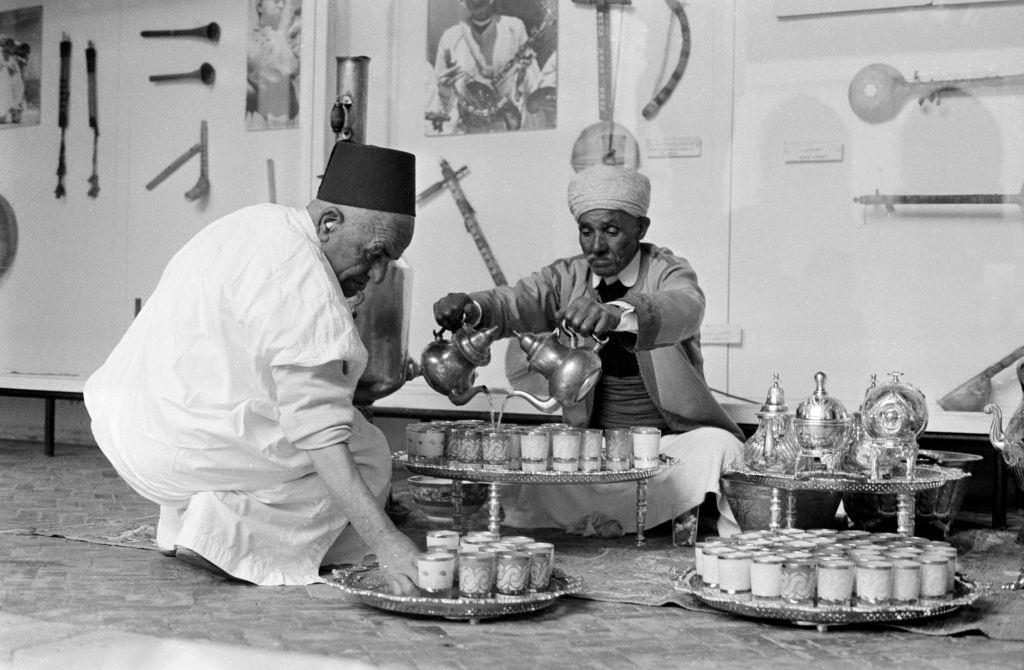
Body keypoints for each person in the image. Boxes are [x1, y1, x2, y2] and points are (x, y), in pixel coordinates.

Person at [84, 141, 421, 591]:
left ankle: (186, 527)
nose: (378, 274)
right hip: (181, 442)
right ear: (329, 223)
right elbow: (319, 429)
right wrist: (386, 541)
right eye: (375, 253)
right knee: (366, 451)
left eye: (388, 261)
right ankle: (225, 540)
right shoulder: (303, 274)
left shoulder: (257, 223)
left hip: (133, 427)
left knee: (296, 433)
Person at [432, 165, 745, 537]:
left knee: (721, 448)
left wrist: (619, 314)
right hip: (592, 451)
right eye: (586, 230)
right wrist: (473, 306)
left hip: (669, 447)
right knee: (531, 460)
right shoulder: (567, 277)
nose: (596, 245)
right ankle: (605, 522)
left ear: (640, 229)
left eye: (611, 231)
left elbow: (685, 306)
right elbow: (515, 302)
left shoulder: (666, 270)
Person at [425, 0, 542, 135]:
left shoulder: (514, 29)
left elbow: (533, 87)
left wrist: (522, 75)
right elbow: (438, 103)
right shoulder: (451, 38)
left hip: (505, 129)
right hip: (465, 132)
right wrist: (444, 93)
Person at [247, 0, 301, 130]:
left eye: (283, 2)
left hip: (290, 122)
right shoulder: (249, 39)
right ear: (260, 7)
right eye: (276, 1)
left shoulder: (288, 37)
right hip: (259, 123)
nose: (281, 5)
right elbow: (263, 70)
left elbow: (293, 67)